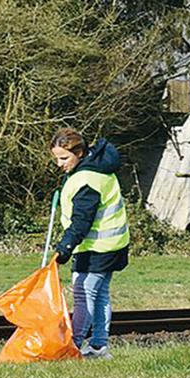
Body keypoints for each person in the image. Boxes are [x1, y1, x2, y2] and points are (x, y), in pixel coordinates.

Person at [51, 128, 130, 360]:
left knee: (83, 294)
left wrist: (64, 248)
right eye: (56, 158)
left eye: (64, 158)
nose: (59, 163)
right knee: (101, 294)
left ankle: (73, 346)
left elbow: (81, 222)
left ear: (80, 152)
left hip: (97, 247)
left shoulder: (87, 179)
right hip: (112, 245)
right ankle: (98, 346)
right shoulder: (97, 169)